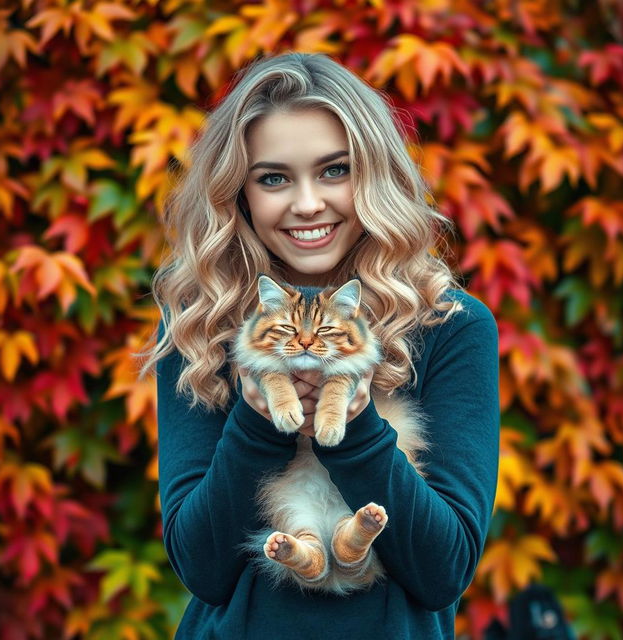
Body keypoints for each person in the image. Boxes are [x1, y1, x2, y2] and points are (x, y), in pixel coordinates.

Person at [144, 52, 499, 639]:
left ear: (374, 174)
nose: (307, 203)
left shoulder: (448, 324)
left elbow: (445, 570)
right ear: (239, 192)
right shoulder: (199, 324)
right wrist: (258, 424)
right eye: (274, 177)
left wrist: (355, 427)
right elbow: (202, 569)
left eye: (334, 170)